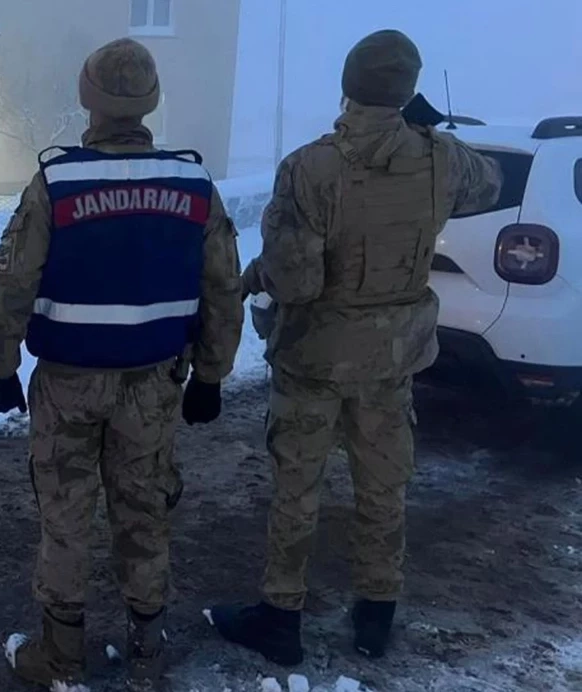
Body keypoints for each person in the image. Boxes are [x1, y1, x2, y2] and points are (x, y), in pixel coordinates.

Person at [209, 30, 503, 665]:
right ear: (408, 90)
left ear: (347, 86)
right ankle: (376, 615)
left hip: (313, 359)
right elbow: (491, 184)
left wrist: (258, 274)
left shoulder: (310, 168)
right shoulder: (443, 158)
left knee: (297, 488)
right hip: (393, 360)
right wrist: (429, 132)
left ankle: (281, 616)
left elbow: (297, 281)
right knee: (383, 486)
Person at [0, 38, 244, 690]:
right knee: (144, 514)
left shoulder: (56, 183)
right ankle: (147, 652)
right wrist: (211, 376)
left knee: (66, 518)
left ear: (87, 99)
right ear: (151, 102)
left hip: (67, 386)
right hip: (155, 386)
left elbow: (12, 284)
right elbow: (223, 290)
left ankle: (61, 658)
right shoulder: (194, 184)